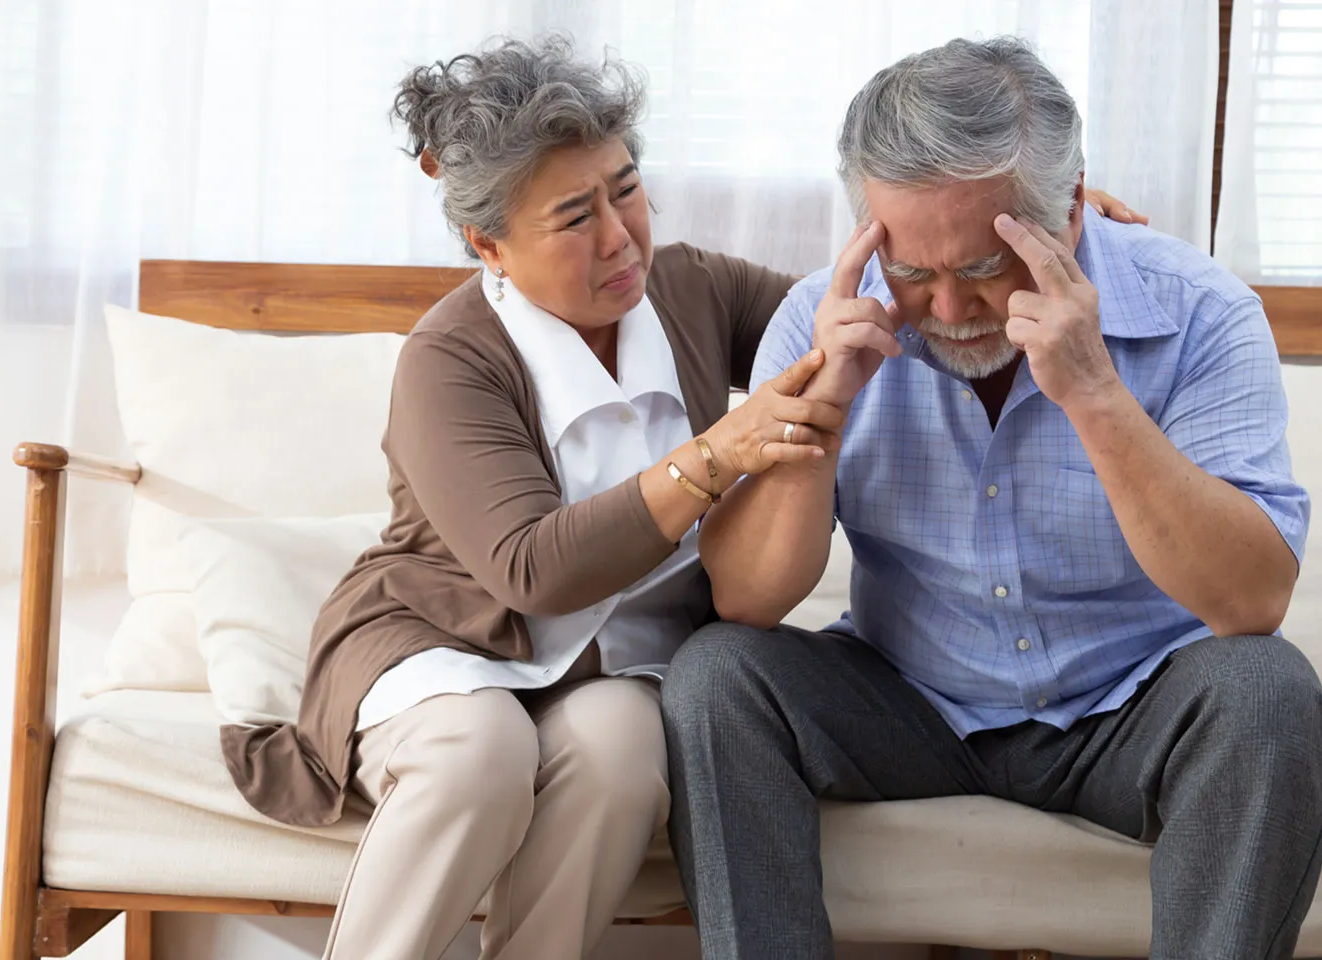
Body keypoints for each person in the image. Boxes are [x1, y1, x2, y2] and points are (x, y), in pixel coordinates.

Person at [220, 34, 1146, 960]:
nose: (620, 236)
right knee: (482, 754)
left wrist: (1035, 234)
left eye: (625, 188)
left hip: (606, 670)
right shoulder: (450, 357)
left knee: (624, 752)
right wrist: (718, 452)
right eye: (574, 216)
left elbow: (875, 320)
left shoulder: (691, 288)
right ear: (488, 243)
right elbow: (532, 569)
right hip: (447, 643)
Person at [661, 35, 1320, 960]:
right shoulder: (824, 320)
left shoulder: (1203, 313)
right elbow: (748, 599)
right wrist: (826, 412)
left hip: (1132, 707)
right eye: (910, 270)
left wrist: (1095, 393)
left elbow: (1251, 600)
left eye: (981, 269)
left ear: (1073, 212)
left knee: (1268, 692)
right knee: (718, 673)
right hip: (912, 700)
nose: (948, 309)